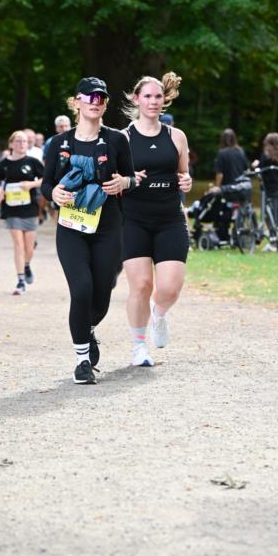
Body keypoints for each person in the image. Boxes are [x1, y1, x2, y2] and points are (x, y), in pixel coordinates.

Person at [42, 78, 135, 385]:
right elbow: (46, 183)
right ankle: (82, 360)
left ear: (105, 105)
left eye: (102, 97)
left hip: (108, 225)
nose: (96, 101)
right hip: (71, 225)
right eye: (90, 96)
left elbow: (131, 178)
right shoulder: (59, 143)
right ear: (77, 102)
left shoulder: (117, 140)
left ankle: (87, 328)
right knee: (81, 289)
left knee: (102, 292)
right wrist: (54, 193)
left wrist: (122, 182)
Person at [121, 73, 192, 366]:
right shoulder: (122, 138)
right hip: (133, 219)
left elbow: (184, 174)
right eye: (147, 96)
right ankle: (139, 347)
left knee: (170, 288)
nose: (153, 102)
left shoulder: (176, 136)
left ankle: (159, 315)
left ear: (165, 100)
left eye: (158, 96)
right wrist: (127, 179)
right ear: (137, 99)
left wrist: (187, 181)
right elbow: (111, 181)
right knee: (140, 286)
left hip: (170, 218)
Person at [0, 131, 44, 295]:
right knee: (18, 244)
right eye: (18, 141)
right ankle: (20, 280)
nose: (22, 144)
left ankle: (27, 264)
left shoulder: (33, 161)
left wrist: (31, 185)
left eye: (24, 141)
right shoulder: (4, 163)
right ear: (11, 144)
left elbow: (45, 179)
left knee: (29, 248)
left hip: (29, 208)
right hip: (11, 208)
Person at [252, 132, 278, 251]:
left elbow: (260, 170)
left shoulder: (266, 156)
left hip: (272, 189)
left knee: (270, 216)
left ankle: (273, 242)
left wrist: (255, 166)